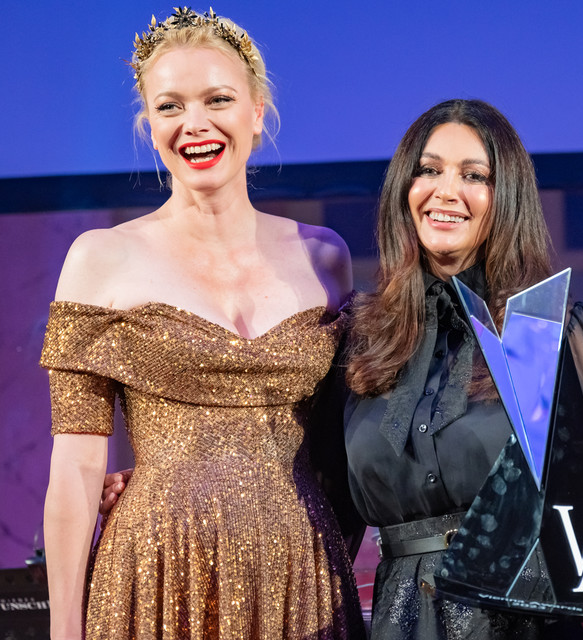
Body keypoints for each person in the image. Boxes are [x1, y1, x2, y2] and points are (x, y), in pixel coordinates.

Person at [40, 8, 364, 639]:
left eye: (218, 99)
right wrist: (64, 631)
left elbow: (340, 446)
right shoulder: (100, 258)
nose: (195, 123)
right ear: (149, 125)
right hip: (155, 574)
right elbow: (75, 471)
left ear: (257, 112)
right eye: (170, 106)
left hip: (300, 574)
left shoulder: (324, 256)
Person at [330, 98, 583, 639]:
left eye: (474, 176)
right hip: (402, 621)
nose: (446, 191)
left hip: (526, 623)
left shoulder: (544, 331)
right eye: (429, 170)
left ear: (507, 197)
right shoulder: (365, 339)